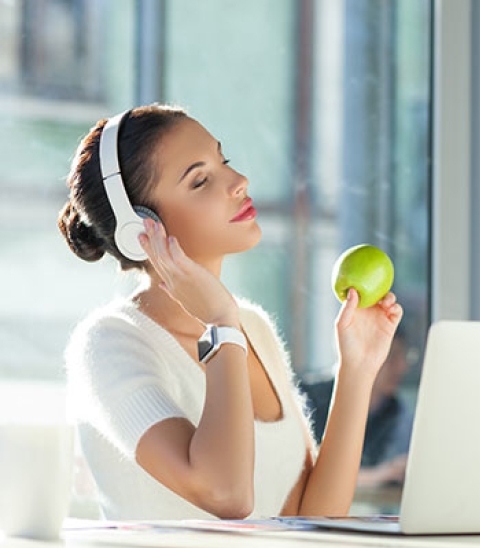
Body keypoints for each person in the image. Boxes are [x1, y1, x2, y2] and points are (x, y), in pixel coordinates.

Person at [58, 104, 402, 521]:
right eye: (200, 180)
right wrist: (220, 324)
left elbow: (311, 517)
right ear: (139, 229)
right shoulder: (110, 343)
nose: (239, 182)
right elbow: (226, 494)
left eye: (226, 163)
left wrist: (357, 369)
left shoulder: (251, 327)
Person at [302, 328, 415, 488]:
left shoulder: (398, 415)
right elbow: (304, 475)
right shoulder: (308, 400)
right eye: (391, 358)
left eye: (404, 356)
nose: (402, 367)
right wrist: (380, 474)